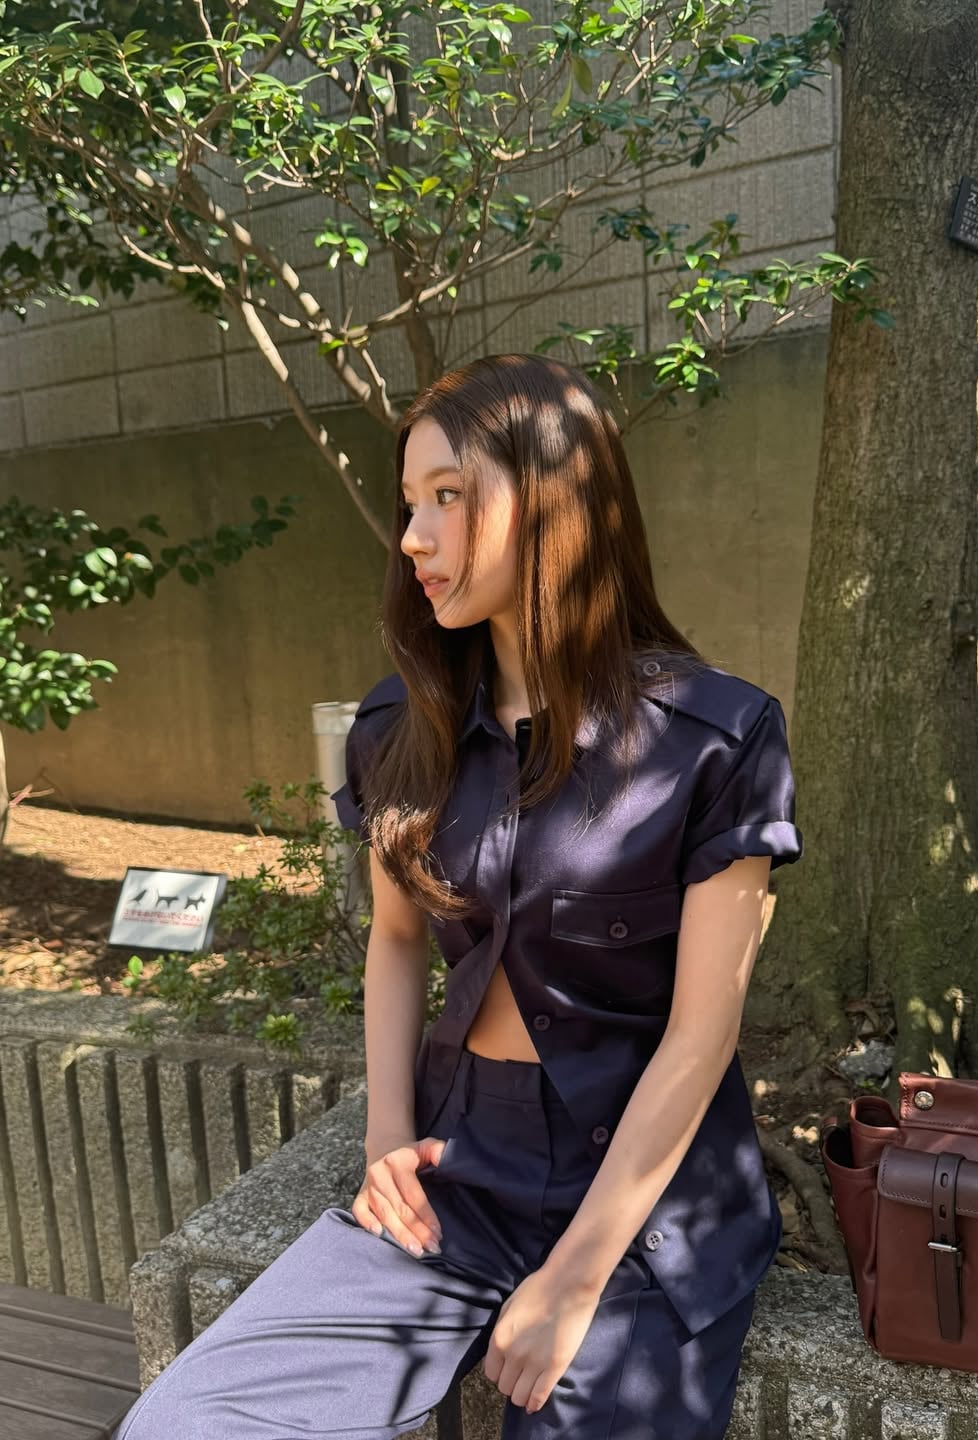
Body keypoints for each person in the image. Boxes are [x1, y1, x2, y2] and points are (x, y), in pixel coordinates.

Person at [115, 352, 803, 1440]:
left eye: (448, 496)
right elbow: (397, 942)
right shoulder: (401, 728)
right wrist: (387, 1141)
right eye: (409, 503)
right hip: (459, 1168)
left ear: (555, 501)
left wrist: (575, 1277)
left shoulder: (717, 739)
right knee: (189, 1423)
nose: (413, 537)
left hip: (647, 1198)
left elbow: (701, 1034)